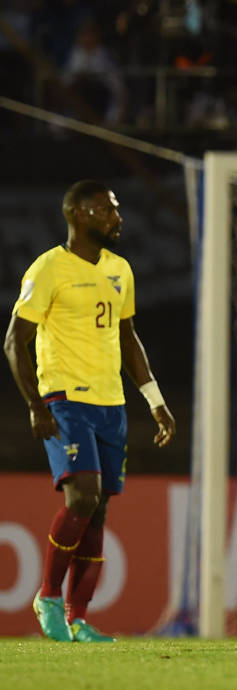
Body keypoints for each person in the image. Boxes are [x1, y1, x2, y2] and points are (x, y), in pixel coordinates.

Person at [4, 180, 176, 643]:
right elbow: (13, 341)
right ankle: (47, 596)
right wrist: (36, 405)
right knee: (82, 495)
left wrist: (155, 402)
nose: (116, 218)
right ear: (79, 215)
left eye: (116, 210)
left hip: (111, 404)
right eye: (106, 211)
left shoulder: (120, 269)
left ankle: (79, 618)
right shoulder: (48, 269)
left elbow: (128, 338)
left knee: (97, 510)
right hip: (65, 398)